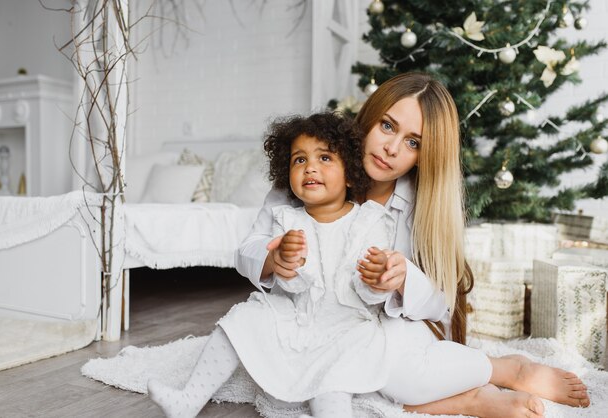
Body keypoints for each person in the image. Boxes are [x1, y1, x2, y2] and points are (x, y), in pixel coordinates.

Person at [235, 72, 590, 417]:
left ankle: (508, 370)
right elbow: (248, 249)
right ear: (368, 119)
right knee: (295, 372)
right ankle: (469, 401)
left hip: (384, 328)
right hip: (318, 323)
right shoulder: (309, 169)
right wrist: (271, 258)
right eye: (387, 126)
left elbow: (441, 305)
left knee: (393, 376)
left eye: (412, 142)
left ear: (424, 155)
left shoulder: (421, 205)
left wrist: (404, 278)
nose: (391, 148)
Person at [149, 112, 440, 417]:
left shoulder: (369, 220)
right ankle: (188, 399)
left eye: (325, 158)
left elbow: (369, 295)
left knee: (332, 382)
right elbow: (292, 284)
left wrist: (376, 280)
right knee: (242, 318)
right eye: (299, 160)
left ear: (351, 174)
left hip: (347, 326)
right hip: (297, 317)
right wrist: (284, 262)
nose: (310, 166)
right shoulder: (287, 219)